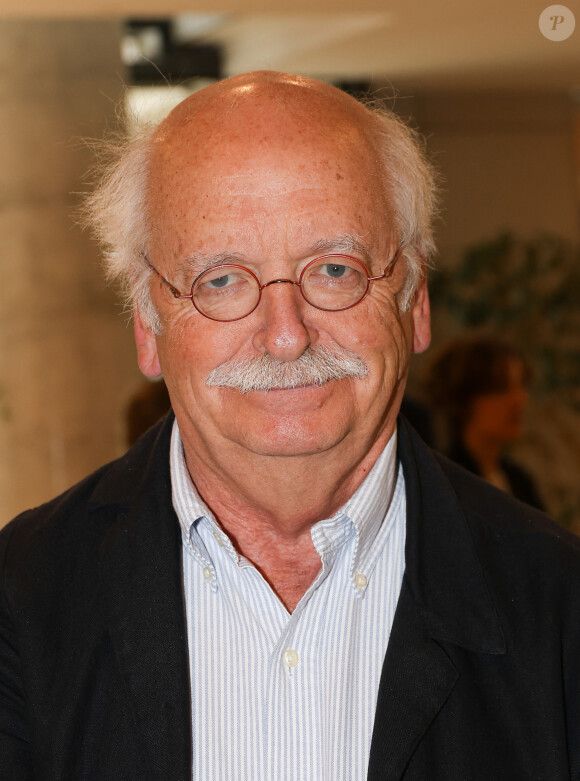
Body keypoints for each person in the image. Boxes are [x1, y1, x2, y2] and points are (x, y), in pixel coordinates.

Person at [1, 72, 579, 781]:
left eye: (334, 269)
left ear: (416, 299)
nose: (285, 336)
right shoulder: (21, 598)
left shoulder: (560, 607)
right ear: (147, 325)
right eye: (221, 279)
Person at [424, 335, 544, 509]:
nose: (520, 399)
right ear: (465, 399)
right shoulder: (446, 482)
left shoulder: (519, 480)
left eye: (520, 385)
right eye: (502, 388)